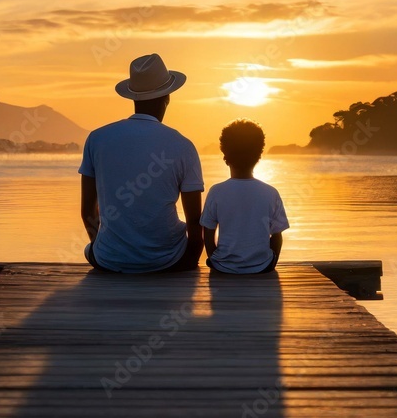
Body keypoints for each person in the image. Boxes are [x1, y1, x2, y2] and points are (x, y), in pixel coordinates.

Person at [79, 53, 204, 273]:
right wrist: (189, 262)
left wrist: (106, 250)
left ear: (133, 98)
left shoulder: (97, 139)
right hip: (168, 259)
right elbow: (195, 222)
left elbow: (87, 210)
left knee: (88, 249)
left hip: (109, 260)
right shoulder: (183, 145)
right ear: (167, 98)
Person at [201, 119, 289, 274]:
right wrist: (271, 262)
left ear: (225, 157)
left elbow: (208, 233)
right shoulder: (270, 193)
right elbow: (277, 236)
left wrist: (215, 258)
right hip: (262, 266)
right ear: (258, 157)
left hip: (223, 266)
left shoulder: (217, 191)